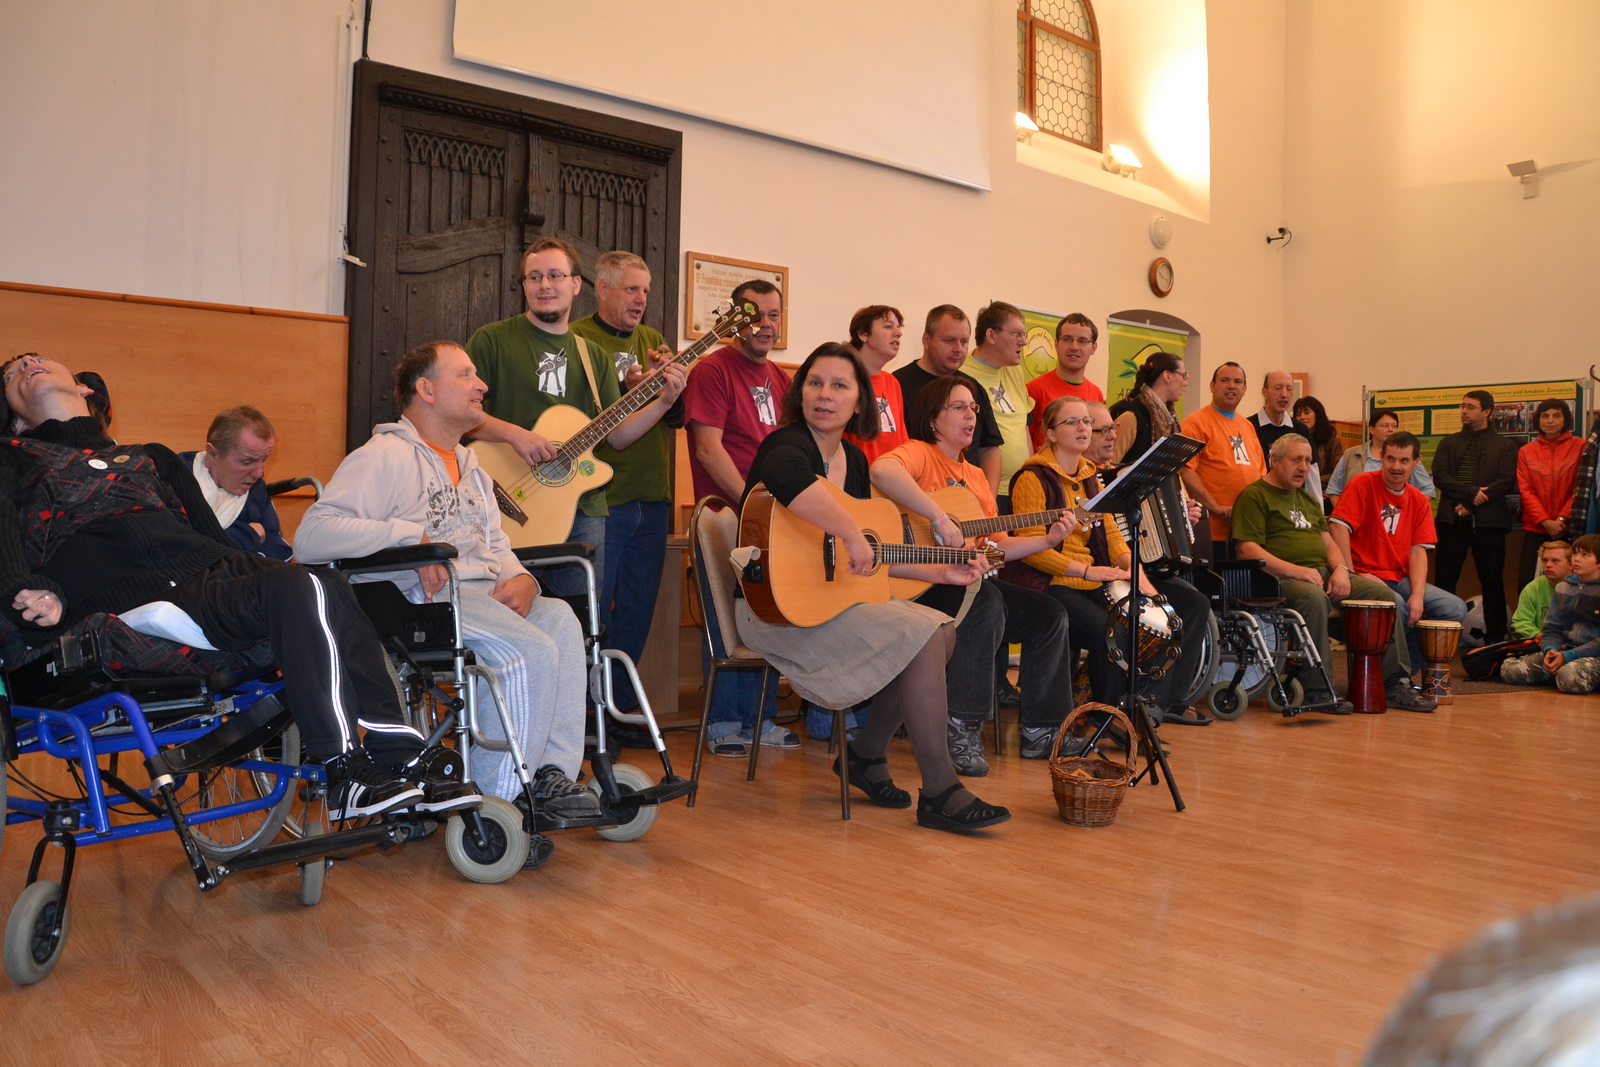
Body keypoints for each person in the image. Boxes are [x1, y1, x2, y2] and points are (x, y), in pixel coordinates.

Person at [0, 352, 476, 821]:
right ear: (13, 416)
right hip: (128, 599)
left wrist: (260, 569)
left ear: (83, 387)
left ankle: (400, 754)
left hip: (204, 577)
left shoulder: (152, 457)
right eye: (12, 374)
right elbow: (5, 547)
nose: (26, 365)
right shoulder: (13, 458)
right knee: (295, 588)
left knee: (327, 581)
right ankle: (342, 764)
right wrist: (27, 589)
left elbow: (212, 540)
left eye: (36, 359)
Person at [295, 341, 605, 850]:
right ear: (427, 389)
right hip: (417, 603)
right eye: (465, 375)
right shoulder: (383, 456)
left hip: (479, 595)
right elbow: (311, 537)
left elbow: (496, 545)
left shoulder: (473, 468)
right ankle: (498, 802)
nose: (482, 385)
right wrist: (407, 538)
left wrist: (523, 579)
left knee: (561, 622)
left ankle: (550, 773)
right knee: (527, 649)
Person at [735, 342, 1010, 833]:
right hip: (774, 611)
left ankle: (865, 755)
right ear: (801, 393)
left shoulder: (855, 462)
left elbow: (872, 554)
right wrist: (847, 531)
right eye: (815, 383)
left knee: (941, 631)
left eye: (839, 385)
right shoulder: (787, 444)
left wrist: (939, 572)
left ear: (860, 401)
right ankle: (939, 789)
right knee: (923, 637)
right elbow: (788, 480)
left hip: (828, 603)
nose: (825, 394)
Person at [870, 375, 1076, 770]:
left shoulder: (977, 477)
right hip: (913, 580)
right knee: (985, 600)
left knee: (1049, 614)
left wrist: (1047, 540)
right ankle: (960, 725)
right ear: (934, 418)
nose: (971, 416)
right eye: (959, 407)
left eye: (974, 408)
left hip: (960, 581)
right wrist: (938, 518)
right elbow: (881, 472)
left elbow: (993, 550)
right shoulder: (919, 453)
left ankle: (1043, 730)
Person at [463, 237, 685, 598]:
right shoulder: (492, 340)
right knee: (502, 609)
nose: (545, 285)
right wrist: (515, 435)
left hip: (582, 509)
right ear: (524, 285)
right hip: (502, 500)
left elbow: (617, 436)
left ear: (576, 284)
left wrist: (664, 401)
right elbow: (462, 414)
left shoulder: (592, 355)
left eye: (555, 275)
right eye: (534, 277)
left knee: (583, 618)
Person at [1012, 397, 1215, 724]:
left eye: (1085, 421)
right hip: (1055, 583)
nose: (1083, 428)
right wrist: (1087, 571)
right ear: (1050, 433)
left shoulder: (1089, 477)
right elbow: (1032, 548)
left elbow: (1113, 538)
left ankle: (1147, 712)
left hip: (1092, 578)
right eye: (1072, 422)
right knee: (1112, 632)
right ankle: (1108, 719)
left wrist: (1140, 581)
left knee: (1156, 621)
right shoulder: (1033, 477)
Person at [1232, 433, 1435, 712]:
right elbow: (1247, 551)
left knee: (1383, 596)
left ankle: (1393, 682)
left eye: (1308, 461)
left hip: (1319, 573)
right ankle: (1317, 690)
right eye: (1296, 460)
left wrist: (1341, 569)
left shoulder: (1306, 499)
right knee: (1314, 598)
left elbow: (1329, 543)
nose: (1303, 467)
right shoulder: (1254, 495)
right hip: (1276, 577)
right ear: (1274, 460)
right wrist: (1299, 571)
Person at [680, 278, 792, 755]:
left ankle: (761, 719)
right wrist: (752, 501)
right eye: (755, 315)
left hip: (771, 521)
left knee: (764, 615)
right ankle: (724, 722)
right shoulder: (712, 370)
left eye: (774, 314)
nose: (765, 324)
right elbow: (709, 450)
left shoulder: (783, 379)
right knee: (727, 619)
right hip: (726, 517)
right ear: (734, 318)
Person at [570, 250, 678, 725]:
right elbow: (580, 416)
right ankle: (587, 714)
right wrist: (627, 385)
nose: (641, 299)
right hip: (602, 500)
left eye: (646, 290)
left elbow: (676, 416)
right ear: (602, 289)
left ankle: (620, 711)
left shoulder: (653, 341)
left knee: (637, 609)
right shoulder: (578, 339)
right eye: (631, 288)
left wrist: (672, 387)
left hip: (652, 496)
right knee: (596, 611)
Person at [1328, 431, 1467, 673]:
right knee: (1399, 607)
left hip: (1399, 578)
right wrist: (1351, 574)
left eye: (1404, 460)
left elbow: (1418, 552)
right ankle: (1392, 676)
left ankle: (1402, 674)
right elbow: (1338, 526)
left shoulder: (1419, 500)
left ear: (1416, 462)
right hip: (1363, 575)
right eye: (1390, 459)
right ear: (1382, 457)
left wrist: (1418, 595)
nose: (1396, 466)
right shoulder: (1362, 483)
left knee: (1454, 608)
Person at [1431, 390, 1519, 644]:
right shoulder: (1448, 442)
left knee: (1492, 582)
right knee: (1444, 581)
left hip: (1489, 524)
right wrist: (1471, 494)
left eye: (1470, 407)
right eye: (1463, 406)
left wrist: (1471, 503)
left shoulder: (1505, 446)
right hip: (1451, 521)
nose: (1464, 411)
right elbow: (1441, 476)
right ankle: (1439, 637)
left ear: (1487, 411)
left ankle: (1495, 641)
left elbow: (1506, 481)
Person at [180, 405, 292, 559]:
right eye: (247, 462)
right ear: (213, 454)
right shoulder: (173, 478)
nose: (259, 473)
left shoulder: (256, 489)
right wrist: (249, 534)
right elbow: (178, 549)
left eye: (264, 459)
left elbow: (281, 554)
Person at [895, 305, 1004, 462]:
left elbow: (989, 448)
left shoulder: (973, 387)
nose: (958, 349)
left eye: (964, 342)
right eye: (949, 341)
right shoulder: (897, 384)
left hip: (970, 476)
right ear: (926, 340)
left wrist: (985, 480)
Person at [1179, 362, 1265, 558]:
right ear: (1212, 386)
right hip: (1210, 530)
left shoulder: (1247, 426)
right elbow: (1185, 471)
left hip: (1247, 531)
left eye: (1237, 382)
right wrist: (1215, 507)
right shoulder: (1195, 423)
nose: (1231, 386)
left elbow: (1261, 474)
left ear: (1245, 389)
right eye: (1225, 380)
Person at [1501, 533, 1600, 693]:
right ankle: (1558, 671)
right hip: (1564, 651)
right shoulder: (1563, 588)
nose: (1576, 559)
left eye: (1585, 555)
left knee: (1569, 678)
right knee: (1510, 671)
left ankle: (1565, 673)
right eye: (1575, 554)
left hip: (1594, 654)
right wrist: (1550, 650)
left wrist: (1568, 656)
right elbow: (1552, 628)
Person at [960, 301, 1034, 511]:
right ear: (991, 335)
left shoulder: (1015, 370)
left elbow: (1024, 427)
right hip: (986, 491)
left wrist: (1032, 475)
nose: (1024, 342)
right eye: (1017, 334)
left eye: (1023, 334)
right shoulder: (962, 374)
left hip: (1023, 488)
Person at [1515, 397, 1582, 591]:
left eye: (1556, 416)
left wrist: (1561, 518)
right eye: (1545, 416)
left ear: (1565, 419)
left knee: (1572, 583)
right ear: (1538, 420)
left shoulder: (1580, 447)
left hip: (1570, 527)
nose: (1550, 420)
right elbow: (1526, 490)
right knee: (1527, 582)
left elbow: (1580, 487)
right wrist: (1545, 520)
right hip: (1536, 527)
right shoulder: (1526, 451)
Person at [1324, 408, 1436, 507]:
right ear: (1372, 429)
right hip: (1355, 517)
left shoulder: (1406, 456)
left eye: (1394, 426)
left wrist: (1407, 510)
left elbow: (1428, 489)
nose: (1390, 429)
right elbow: (1334, 489)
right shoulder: (1351, 453)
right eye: (1385, 426)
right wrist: (1345, 514)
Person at [1025, 313, 1105, 451]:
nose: (1074, 347)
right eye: (1067, 339)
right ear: (1056, 343)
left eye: (1082, 341)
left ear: (1093, 347)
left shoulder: (1096, 393)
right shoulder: (1034, 390)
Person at [842, 304, 909, 463]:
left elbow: (902, 442)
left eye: (898, 327)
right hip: (853, 473)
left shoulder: (892, 382)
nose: (898, 333)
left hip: (888, 474)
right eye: (888, 326)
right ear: (863, 334)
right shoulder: (842, 377)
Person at [1108, 350, 1186, 464]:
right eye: (1184, 376)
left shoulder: (1169, 418)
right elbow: (1109, 464)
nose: (1185, 383)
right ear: (1167, 376)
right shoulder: (1132, 416)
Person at [1511, 539, 1571, 640]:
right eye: (1545, 560)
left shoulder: (1582, 587)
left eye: (1555, 560)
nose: (1548, 565)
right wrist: (1541, 636)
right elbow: (1521, 622)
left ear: (1571, 564)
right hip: (1542, 643)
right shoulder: (1533, 588)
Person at [1291, 394, 1344, 504]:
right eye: (1298, 414)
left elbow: (1337, 474)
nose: (1302, 417)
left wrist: (1315, 486)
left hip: (1326, 497)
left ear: (1318, 414)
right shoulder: (1291, 442)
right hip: (1296, 495)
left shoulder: (1332, 442)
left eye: (1307, 412)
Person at [1250, 370, 1300, 458]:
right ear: (1265, 392)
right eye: (1278, 388)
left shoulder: (1301, 429)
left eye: (1289, 389)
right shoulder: (1248, 426)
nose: (1284, 394)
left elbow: (1311, 465)